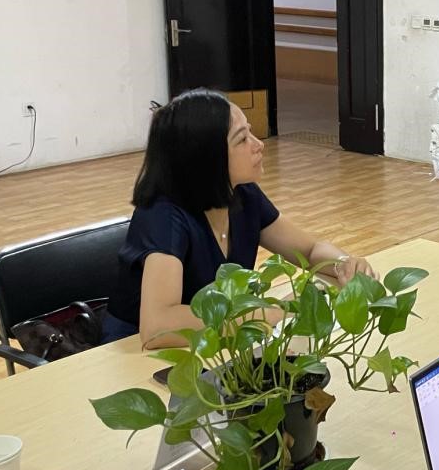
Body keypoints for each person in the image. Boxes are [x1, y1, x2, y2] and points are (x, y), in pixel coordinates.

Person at [100, 89, 374, 348]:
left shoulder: (242, 194)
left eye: (250, 132)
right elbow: (158, 327)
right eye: (242, 139)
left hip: (215, 343)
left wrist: (343, 265)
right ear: (206, 158)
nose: (259, 145)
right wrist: (266, 314)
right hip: (138, 353)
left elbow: (310, 250)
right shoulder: (163, 215)